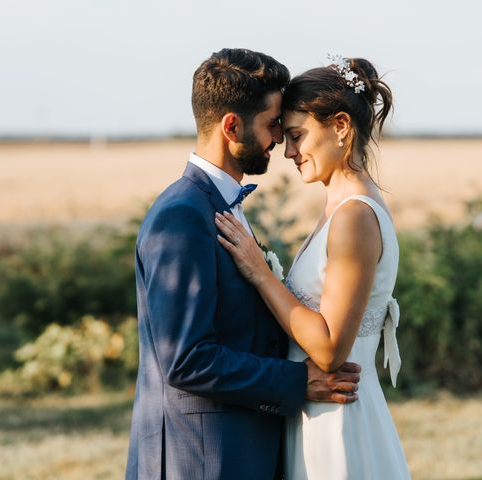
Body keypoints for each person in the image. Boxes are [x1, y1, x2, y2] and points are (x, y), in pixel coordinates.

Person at [125, 48, 361, 480]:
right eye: (272, 125)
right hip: (199, 460)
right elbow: (186, 359)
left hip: (239, 453)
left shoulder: (223, 204)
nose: (279, 141)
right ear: (232, 126)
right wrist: (295, 381)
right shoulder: (181, 215)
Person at [216, 55, 412, 479]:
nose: (287, 152)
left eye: (297, 136)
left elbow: (328, 349)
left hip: (338, 425)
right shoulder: (338, 207)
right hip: (315, 414)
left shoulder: (354, 217)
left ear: (340, 126)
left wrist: (260, 272)